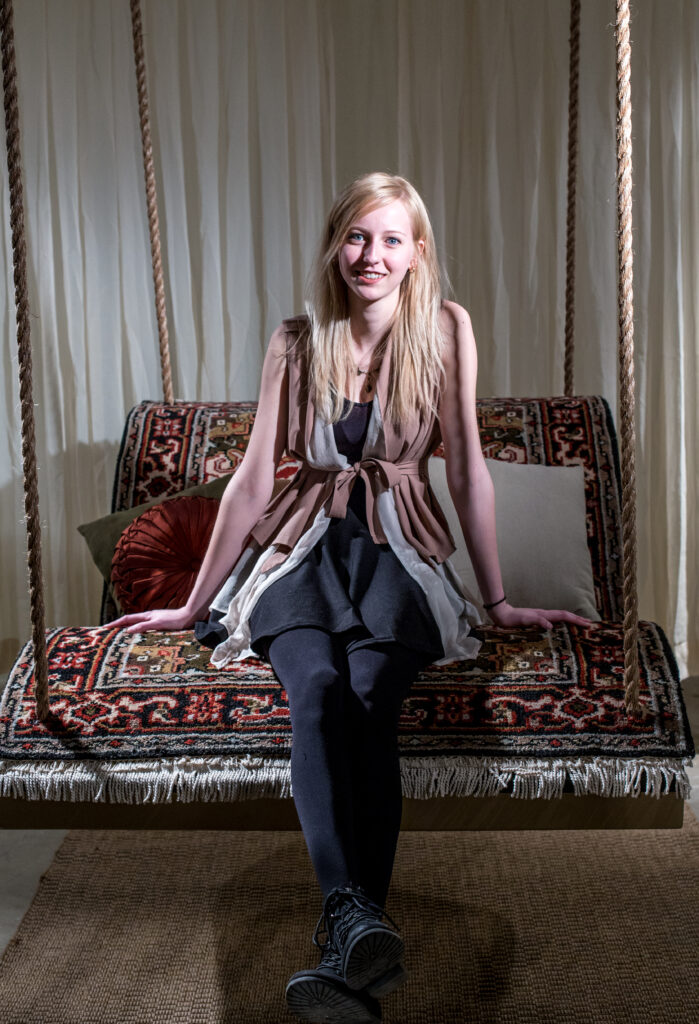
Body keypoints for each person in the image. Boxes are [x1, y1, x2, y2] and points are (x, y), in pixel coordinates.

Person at [112, 172, 591, 1023]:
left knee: (370, 697)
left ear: (416, 253)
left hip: (400, 550)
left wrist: (498, 600)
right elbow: (255, 478)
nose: (371, 256)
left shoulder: (443, 329)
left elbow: (466, 470)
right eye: (357, 238)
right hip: (300, 549)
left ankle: (344, 943)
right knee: (319, 690)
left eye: (391, 240)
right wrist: (195, 604)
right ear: (337, 245)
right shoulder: (297, 340)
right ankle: (353, 922)